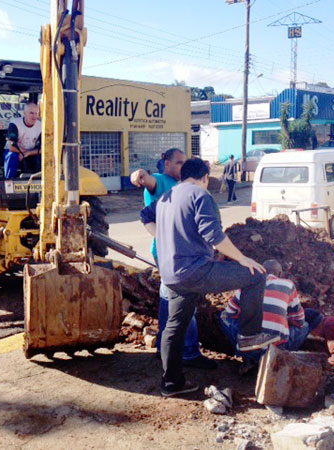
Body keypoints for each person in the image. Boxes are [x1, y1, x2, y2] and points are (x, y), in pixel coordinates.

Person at [141, 158, 272, 397]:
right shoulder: (200, 196)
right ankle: (249, 336)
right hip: (196, 271)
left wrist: (160, 237)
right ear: (204, 177)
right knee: (255, 276)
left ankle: (171, 383)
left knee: (175, 325)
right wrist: (243, 259)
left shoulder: (167, 196)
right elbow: (214, 235)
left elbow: (145, 215)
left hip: (171, 274)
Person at [130, 148, 216, 370]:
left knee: (168, 299)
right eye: (178, 162)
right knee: (184, 301)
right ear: (166, 164)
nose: (182, 166)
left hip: (172, 253)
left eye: (184, 162)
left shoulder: (181, 186)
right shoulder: (162, 181)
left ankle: (164, 347)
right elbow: (148, 180)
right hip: (174, 254)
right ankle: (188, 352)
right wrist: (140, 173)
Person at [219, 259, 309, 375]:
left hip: (249, 346)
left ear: (261, 271)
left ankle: (248, 359)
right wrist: (284, 320)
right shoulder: (288, 285)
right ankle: (279, 359)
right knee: (305, 326)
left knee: (223, 318)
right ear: (280, 274)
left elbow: (229, 313)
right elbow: (299, 321)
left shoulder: (247, 283)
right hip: (276, 349)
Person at [4, 102, 41, 179]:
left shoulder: (41, 126)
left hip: (30, 153)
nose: (34, 116)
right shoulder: (15, 124)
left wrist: (28, 153)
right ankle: (9, 181)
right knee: (11, 156)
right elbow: (12, 147)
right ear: (24, 113)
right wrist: (24, 153)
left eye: (36, 113)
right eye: (31, 113)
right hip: (15, 152)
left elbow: (45, 148)